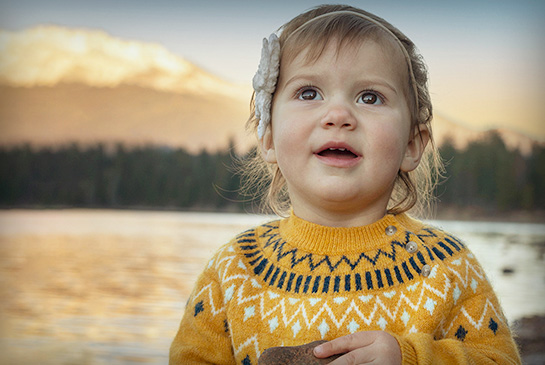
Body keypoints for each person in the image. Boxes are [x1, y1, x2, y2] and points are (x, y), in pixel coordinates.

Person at [170, 4, 521, 364]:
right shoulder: (234, 271)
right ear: (269, 136)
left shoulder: (447, 268)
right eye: (309, 93)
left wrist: (411, 358)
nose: (338, 115)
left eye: (370, 97)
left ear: (412, 145)